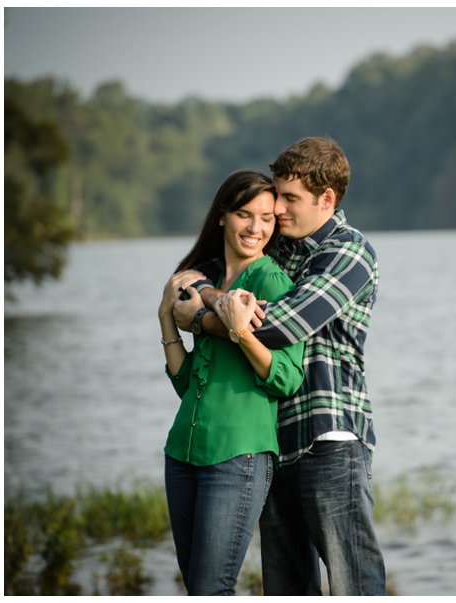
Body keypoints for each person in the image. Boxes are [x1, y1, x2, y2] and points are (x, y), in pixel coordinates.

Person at [172, 137, 387, 595]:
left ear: (326, 199)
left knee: (354, 582)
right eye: (278, 198)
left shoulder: (349, 253)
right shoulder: (284, 248)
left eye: (290, 199)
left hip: (328, 439)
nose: (278, 212)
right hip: (274, 441)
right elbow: (199, 278)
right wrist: (210, 297)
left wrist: (203, 318)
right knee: (288, 588)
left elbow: (277, 326)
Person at [158, 170, 306, 595]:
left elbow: (286, 378)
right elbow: (189, 386)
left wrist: (240, 332)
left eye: (266, 218)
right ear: (222, 216)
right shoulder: (205, 280)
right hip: (182, 453)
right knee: (198, 591)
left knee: (211, 589)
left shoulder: (270, 281)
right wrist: (166, 318)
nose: (255, 228)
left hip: (237, 457)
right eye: (244, 214)